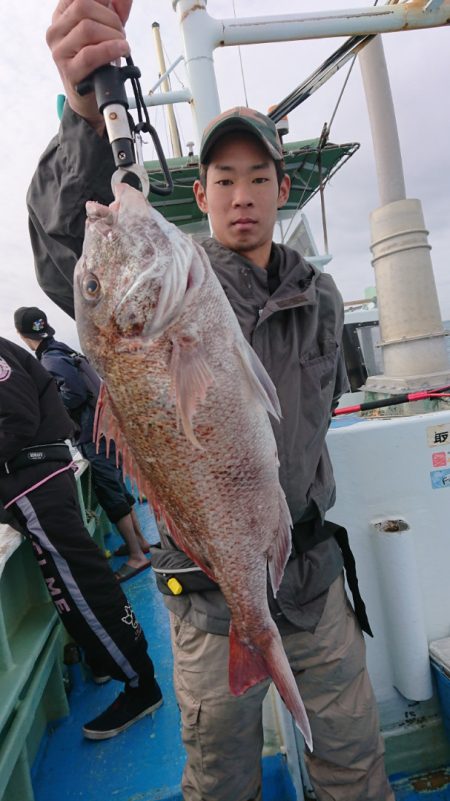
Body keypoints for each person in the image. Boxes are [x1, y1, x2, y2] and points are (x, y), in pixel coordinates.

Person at [26, 2, 395, 798]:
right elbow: (71, 262)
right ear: (198, 191)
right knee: (219, 780)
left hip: (312, 573)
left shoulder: (323, 296)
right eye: (223, 179)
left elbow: (323, 405)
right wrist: (88, 120)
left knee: (355, 762)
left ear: (280, 186)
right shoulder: (184, 288)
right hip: (206, 596)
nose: (241, 196)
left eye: (258, 177)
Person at [0, 335, 163, 739]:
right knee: (71, 586)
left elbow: (16, 417)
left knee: (81, 586)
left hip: (32, 484)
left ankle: (141, 684)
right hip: (37, 483)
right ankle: (106, 660)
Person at [13, 305, 151, 582]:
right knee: (119, 489)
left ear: (21, 334)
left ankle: (137, 557)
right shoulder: (63, 350)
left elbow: (73, 395)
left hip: (91, 435)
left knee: (111, 493)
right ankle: (142, 543)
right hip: (105, 430)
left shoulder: (50, 360)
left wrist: (51, 413)